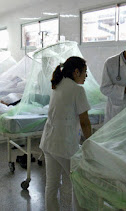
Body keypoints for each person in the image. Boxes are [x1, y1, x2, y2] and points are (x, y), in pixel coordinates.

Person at [39, 56, 92, 211]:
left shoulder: (58, 84)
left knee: (52, 184)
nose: (86, 76)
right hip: (64, 145)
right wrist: (90, 142)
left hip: (49, 141)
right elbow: (84, 122)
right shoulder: (77, 90)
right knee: (79, 182)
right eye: (85, 72)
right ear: (76, 72)